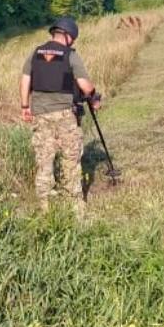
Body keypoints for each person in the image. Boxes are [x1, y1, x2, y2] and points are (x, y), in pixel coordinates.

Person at [19, 16, 103, 213]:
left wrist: (25, 106)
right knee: (70, 159)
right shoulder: (70, 55)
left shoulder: (35, 53)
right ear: (69, 37)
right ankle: (75, 206)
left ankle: (44, 207)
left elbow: (25, 80)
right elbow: (84, 86)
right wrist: (94, 97)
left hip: (40, 114)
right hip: (65, 114)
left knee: (44, 159)